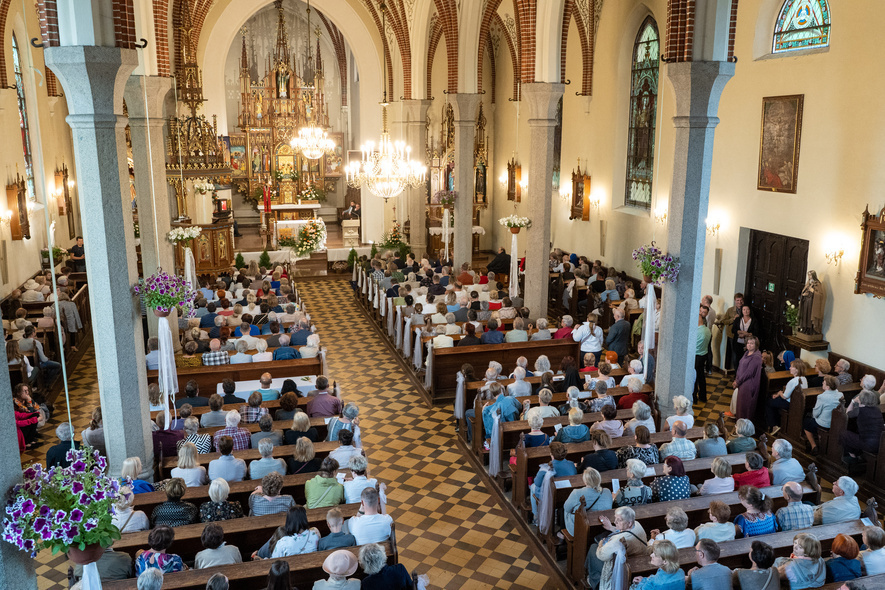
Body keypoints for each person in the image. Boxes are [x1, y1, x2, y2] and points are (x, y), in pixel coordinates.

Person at [587, 506, 648, 590]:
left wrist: (601, 544)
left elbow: (602, 555)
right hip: (637, 557)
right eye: (615, 518)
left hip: (619, 567)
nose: (615, 522)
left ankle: (595, 581)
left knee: (593, 548)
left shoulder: (617, 541)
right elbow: (627, 531)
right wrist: (611, 528)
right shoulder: (637, 524)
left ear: (629, 523)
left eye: (619, 520)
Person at [530, 441, 577, 522]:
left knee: (533, 486)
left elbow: (537, 482)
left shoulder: (546, 468)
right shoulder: (571, 464)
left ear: (551, 454)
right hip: (567, 494)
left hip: (550, 496)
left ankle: (536, 515)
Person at [766, 358, 809, 433]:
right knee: (774, 401)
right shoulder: (804, 378)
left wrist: (779, 393)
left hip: (789, 403)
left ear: (797, 369)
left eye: (792, 367)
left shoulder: (793, 381)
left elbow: (785, 396)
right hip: (799, 403)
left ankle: (774, 425)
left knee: (769, 403)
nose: (790, 368)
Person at [841, 390, 884, 460]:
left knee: (844, 434)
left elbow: (847, 413)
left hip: (869, 445)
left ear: (861, 400)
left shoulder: (860, 410)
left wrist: (853, 401)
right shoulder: (877, 409)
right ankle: (859, 455)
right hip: (880, 443)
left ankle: (853, 457)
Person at [733, 335, 763, 420]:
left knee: (745, 407)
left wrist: (738, 382)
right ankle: (739, 427)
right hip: (741, 383)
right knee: (740, 406)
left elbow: (749, 373)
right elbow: (739, 367)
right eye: (748, 343)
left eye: (752, 343)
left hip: (748, 385)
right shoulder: (746, 353)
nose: (749, 345)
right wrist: (736, 379)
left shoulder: (756, 357)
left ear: (756, 345)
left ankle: (744, 429)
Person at [694, 314, 712, 403]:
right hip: (703, 355)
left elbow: (693, 346)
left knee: (694, 378)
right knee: (701, 376)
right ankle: (703, 396)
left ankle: (694, 398)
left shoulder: (697, 331)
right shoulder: (707, 330)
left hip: (696, 355)